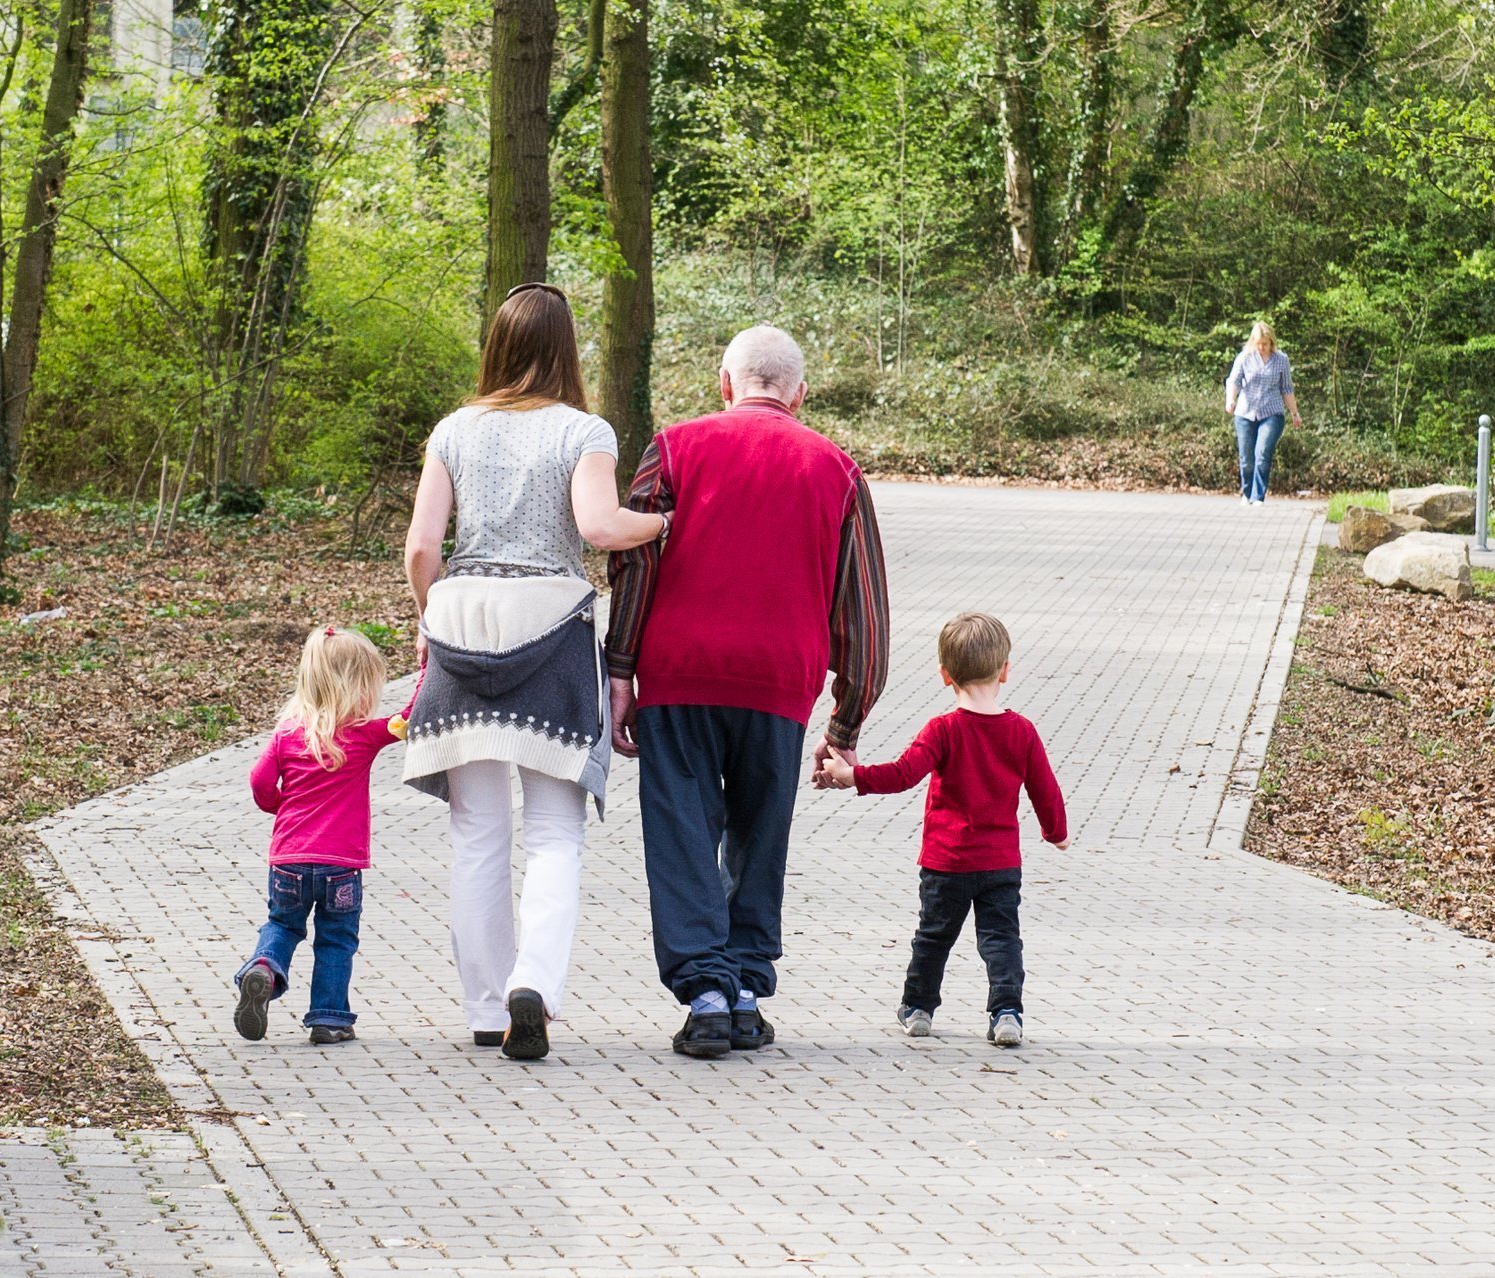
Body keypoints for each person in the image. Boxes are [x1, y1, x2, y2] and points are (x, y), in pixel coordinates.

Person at [606, 324, 890, 1059]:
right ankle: (742, 985)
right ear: (800, 394)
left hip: (678, 675)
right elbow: (862, 606)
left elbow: (634, 565)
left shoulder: (672, 448)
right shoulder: (839, 469)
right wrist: (847, 720)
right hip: (779, 684)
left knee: (682, 833)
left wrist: (620, 668)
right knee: (761, 834)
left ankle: (705, 990)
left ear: (725, 385)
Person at [401, 282, 666, 1061]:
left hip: (462, 631)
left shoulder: (453, 429)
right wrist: (665, 522)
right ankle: (535, 987)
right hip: (551, 633)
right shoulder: (583, 429)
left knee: (477, 835)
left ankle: (486, 1008)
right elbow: (598, 526)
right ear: (566, 349)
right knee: (554, 835)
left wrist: (429, 616)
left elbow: (422, 549)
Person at [820, 612, 1067, 1048]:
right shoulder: (1022, 731)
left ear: (944, 675)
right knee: (1002, 938)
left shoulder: (943, 729)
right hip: (1000, 864)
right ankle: (1007, 1010)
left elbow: (902, 774)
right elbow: (1045, 789)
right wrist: (1056, 832)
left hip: (946, 862)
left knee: (933, 937)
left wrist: (853, 776)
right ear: (1005, 671)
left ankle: (918, 1008)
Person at [234, 626, 399, 1046]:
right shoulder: (365, 734)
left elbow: (258, 782)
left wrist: (280, 807)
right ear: (359, 686)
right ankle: (329, 1019)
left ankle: (265, 970)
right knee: (336, 939)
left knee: (282, 925)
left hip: (288, 860)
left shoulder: (287, 733)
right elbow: (410, 718)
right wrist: (430, 664)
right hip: (341, 867)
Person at [1223, 321, 1303, 508]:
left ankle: (1258, 496)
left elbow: (1286, 389)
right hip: (1245, 412)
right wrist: (1231, 400)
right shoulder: (1244, 357)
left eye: (1265, 344)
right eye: (1258, 343)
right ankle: (1247, 491)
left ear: (1271, 342)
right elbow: (1233, 380)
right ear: (1253, 341)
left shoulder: (1281, 360)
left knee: (1262, 453)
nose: (1262, 347)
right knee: (1246, 457)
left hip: (1272, 412)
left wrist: (1294, 413)